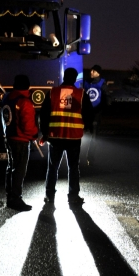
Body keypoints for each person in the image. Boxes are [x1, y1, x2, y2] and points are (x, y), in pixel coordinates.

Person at [40, 67, 93, 205]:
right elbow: (88, 114)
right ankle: (73, 196)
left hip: (55, 136)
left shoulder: (53, 92)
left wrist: (44, 133)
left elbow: (44, 114)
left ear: (64, 77)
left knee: (52, 167)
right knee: (73, 167)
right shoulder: (81, 94)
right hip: (73, 138)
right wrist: (88, 127)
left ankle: (49, 195)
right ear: (75, 79)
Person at [1, 74, 38, 211]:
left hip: (9, 137)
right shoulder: (25, 102)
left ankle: (10, 195)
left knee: (11, 168)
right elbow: (28, 125)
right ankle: (16, 199)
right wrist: (34, 135)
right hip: (21, 140)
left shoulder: (7, 98)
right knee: (19, 171)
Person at [83, 64, 108, 134]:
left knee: (94, 127)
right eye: (91, 70)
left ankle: (94, 142)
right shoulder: (86, 82)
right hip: (87, 110)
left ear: (98, 73)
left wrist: (103, 107)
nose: (91, 72)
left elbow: (106, 96)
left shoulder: (102, 83)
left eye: (93, 71)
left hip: (97, 110)